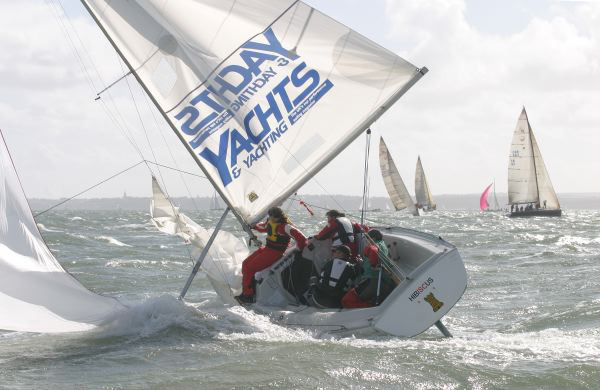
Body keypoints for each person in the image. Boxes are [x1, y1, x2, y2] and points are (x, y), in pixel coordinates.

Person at [235, 206, 306, 304]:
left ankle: (248, 296)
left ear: (279, 216)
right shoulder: (270, 221)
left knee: (249, 268)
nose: (272, 218)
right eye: (271, 216)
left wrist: (300, 249)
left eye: (274, 217)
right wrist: (252, 226)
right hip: (267, 249)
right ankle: (250, 289)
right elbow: (264, 227)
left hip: (275, 252)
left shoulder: (285, 227)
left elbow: (301, 238)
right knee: (245, 264)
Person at [341, 230, 394, 309]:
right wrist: (363, 262)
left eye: (367, 239)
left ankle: (370, 308)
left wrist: (373, 265)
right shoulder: (382, 245)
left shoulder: (373, 246)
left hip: (373, 279)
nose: (367, 241)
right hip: (382, 279)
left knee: (346, 300)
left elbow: (373, 250)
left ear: (373, 238)